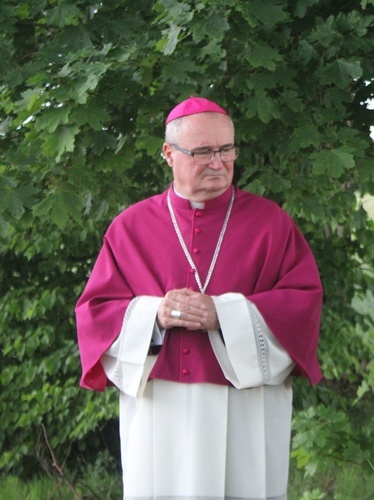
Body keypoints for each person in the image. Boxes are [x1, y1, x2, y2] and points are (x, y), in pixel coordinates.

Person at [75, 96, 323, 499]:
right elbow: (94, 314)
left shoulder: (271, 224)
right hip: (161, 406)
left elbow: (302, 305)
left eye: (226, 150)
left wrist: (224, 314)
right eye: (203, 151)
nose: (218, 163)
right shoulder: (130, 228)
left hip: (245, 405)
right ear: (168, 154)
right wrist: (154, 313)